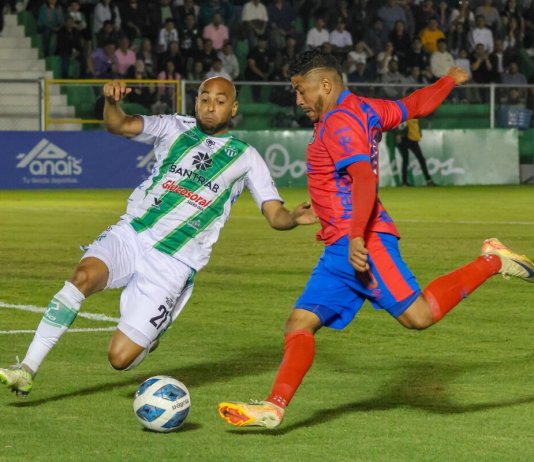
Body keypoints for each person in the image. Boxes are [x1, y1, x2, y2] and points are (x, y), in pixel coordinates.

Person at [218, 49, 534, 429]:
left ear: (325, 85)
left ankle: (493, 260)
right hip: (339, 248)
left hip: (364, 243)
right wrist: (448, 80)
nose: (298, 100)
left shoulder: (338, 121)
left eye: (301, 91)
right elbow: (415, 104)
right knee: (298, 323)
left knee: (420, 316)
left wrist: (355, 237)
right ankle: (274, 406)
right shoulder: (365, 108)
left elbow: (364, 178)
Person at [0, 76, 316, 398]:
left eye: (220, 101)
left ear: (233, 108)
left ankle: (149, 337)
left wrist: (291, 217)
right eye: (204, 98)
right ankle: (26, 368)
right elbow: (120, 124)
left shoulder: (245, 157)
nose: (210, 106)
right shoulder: (172, 127)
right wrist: (111, 102)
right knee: (82, 276)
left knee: (119, 358)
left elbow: (274, 213)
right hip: (133, 232)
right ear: (196, 102)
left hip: (174, 261)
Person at [395, 118, 435, 186]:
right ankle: (405, 182)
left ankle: (428, 180)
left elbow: (416, 125)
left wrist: (419, 133)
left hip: (412, 139)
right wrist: (398, 134)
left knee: (418, 159)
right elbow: (398, 124)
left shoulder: (413, 114)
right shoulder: (405, 113)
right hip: (404, 139)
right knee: (407, 160)